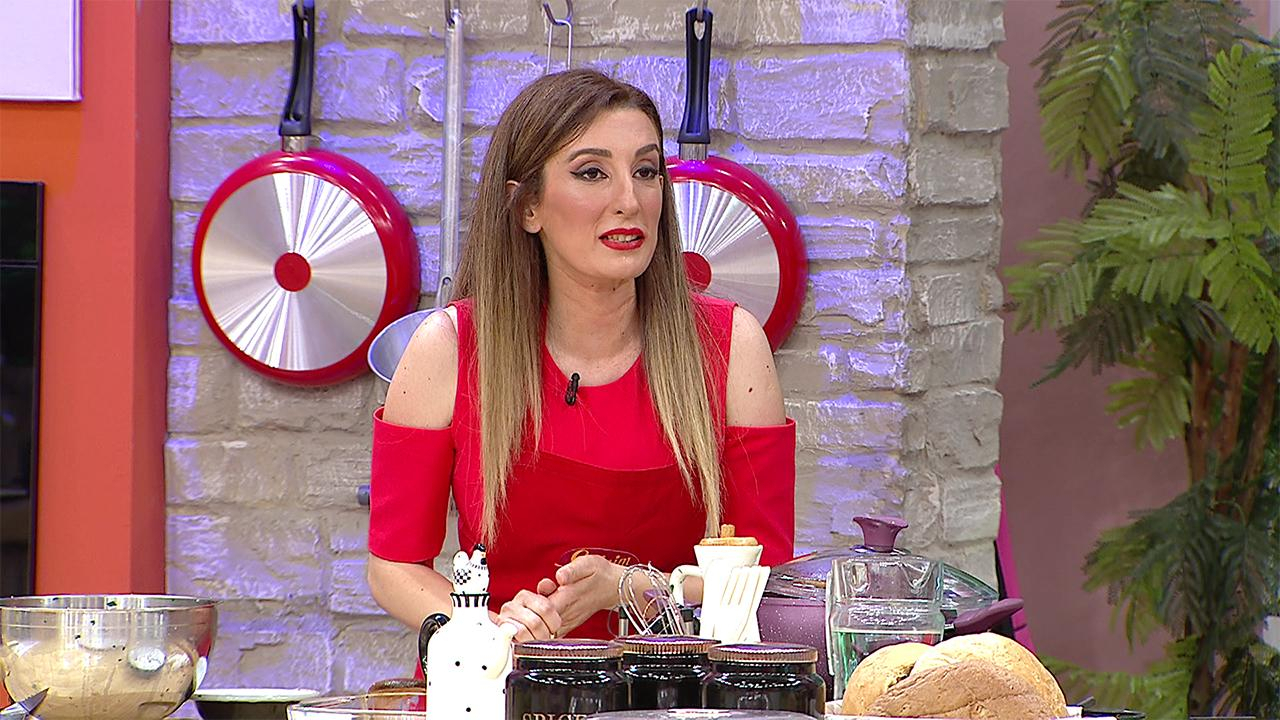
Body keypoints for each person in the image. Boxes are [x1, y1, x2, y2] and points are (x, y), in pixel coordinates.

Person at [366, 69, 795, 643]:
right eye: (593, 173)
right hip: (499, 676)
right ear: (528, 207)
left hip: (672, 682)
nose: (629, 200)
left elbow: (769, 578)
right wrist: (489, 632)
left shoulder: (732, 345)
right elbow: (394, 566)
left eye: (646, 171)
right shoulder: (447, 348)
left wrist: (633, 587)